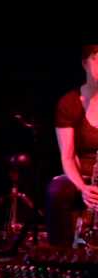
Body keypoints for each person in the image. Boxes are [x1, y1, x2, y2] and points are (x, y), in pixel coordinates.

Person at [46, 45, 98, 246]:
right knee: (57, 192)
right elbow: (67, 156)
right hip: (82, 175)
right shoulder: (69, 102)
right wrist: (83, 188)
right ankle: (61, 259)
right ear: (85, 63)